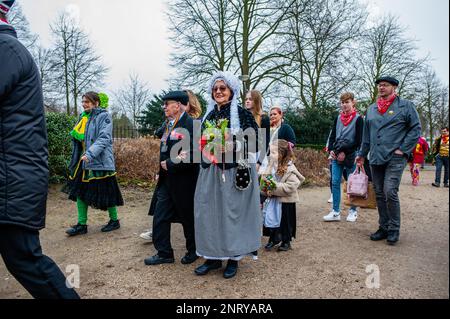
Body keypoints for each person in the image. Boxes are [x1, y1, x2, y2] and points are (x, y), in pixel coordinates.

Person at [0, 0, 79, 299]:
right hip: (13, 175)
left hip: (11, 180)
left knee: (25, 259)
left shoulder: (5, 50)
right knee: (23, 258)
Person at [194, 71, 261, 279]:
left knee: (233, 215)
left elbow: (256, 142)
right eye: (215, 89)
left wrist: (233, 144)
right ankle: (213, 258)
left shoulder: (242, 114)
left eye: (222, 88)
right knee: (210, 214)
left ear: (231, 90)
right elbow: (201, 143)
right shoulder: (209, 116)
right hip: (211, 172)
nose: (218, 92)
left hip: (235, 171)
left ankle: (233, 258)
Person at [356, 76, 421, 245]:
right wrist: (362, 154)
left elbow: (416, 129)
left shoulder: (406, 106)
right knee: (378, 192)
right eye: (379, 85)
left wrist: (403, 149)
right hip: (376, 157)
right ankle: (383, 227)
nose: (381, 88)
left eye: (385, 85)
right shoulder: (371, 109)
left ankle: (394, 229)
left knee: (389, 191)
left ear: (394, 87)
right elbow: (366, 135)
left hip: (395, 156)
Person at [144, 91, 200, 266]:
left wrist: (171, 163)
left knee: (187, 217)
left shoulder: (193, 124)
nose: (164, 107)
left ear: (178, 105)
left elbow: (195, 154)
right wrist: (160, 169)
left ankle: (193, 250)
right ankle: (164, 253)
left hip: (185, 181)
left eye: (167, 104)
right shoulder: (168, 125)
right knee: (160, 215)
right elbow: (164, 149)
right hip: (166, 180)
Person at [65, 92, 124, 236]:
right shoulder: (83, 117)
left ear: (96, 103)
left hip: (99, 161)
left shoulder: (104, 116)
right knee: (80, 192)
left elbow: (104, 138)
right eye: (83, 101)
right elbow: (80, 138)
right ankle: (81, 225)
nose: (84, 104)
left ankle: (114, 221)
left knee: (107, 192)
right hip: (84, 162)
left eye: (87, 102)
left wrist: (90, 154)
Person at [324, 93, 364, 223]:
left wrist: (344, 151)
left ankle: (353, 211)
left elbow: (359, 140)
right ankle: (335, 212)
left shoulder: (358, 119)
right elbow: (333, 136)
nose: (344, 105)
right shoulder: (338, 118)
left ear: (353, 102)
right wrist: (331, 150)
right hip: (336, 155)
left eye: (347, 102)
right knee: (335, 182)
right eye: (342, 102)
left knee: (352, 184)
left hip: (351, 155)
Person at [260, 140, 305, 251]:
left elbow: (291, 186)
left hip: (285, 201)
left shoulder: (290, 168)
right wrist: (266, 187)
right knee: (271, 218)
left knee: (285, 222)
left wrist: (274, 187)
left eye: (274, 153)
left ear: (282, 154)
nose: (271, 155)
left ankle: (286, 241)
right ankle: (273, 238)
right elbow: (264, 179)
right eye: (270, 152)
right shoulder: (271, 166)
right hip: (273, 199)